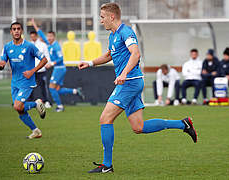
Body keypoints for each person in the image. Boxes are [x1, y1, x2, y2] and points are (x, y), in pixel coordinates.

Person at [78, 2, 197, 174]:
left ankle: (107, 165)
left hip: (130, 82)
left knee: (105, 119)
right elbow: (109, 55)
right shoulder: (113, 35)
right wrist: (90, 63)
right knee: (138, 127)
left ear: (112, 17)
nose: (101, 20)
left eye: (102, 17)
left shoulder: (126, 32)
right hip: (130, 82)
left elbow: (136, 53)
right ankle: (183, 124)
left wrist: (124, 73)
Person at [0, 22, 47, 139]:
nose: (16, 31)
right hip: (15, 83)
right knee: (19, 110)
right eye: (14, 29)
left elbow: (44, 60)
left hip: (27, 82)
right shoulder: (7, 47)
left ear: (22, 31)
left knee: (18, 106)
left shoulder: (29, 46)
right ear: (11, 32)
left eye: (18, 29)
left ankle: (36, 103)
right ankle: (36, 131)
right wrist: (1, 65)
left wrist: (32, 71)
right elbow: (1, 63)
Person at [31, 19, 84, 112]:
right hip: (58, 69)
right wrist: (34, 24)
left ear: (54, 37)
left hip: (59, 68)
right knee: (57, 90)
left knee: (51, 88)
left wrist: (51, 63)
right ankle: (75, 91)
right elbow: (41, 34)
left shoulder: (56, 46)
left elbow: (61, 58)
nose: (49, 38)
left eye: (51, 36)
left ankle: (60, 106)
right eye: (48, 36)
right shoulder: (48, 43)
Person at [29, 31, 52, 108]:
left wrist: (47, 64)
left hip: (41, 70)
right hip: (31, 70)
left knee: (43, 86)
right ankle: (30, 102)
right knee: (30, 87)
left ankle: (46, 101)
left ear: (36, 36)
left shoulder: (43, 45)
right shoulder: (28, 45)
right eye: (31, 36)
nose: (32, 38)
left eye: (33, 36)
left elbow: (47, 56)